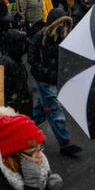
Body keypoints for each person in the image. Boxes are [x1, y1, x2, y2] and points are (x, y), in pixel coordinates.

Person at [28, 9, 82, 157]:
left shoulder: (63, 36)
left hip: (55, 78)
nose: (63, 26)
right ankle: (65, 142)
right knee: (54, 110)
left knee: (42, 108)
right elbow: (32, 59)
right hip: (45, 79)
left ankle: (25, 127)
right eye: (61, 22)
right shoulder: (41, 37)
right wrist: (46, 72)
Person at [0, 29, 32, 116]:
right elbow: (9, 90)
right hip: (13, 110)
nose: (24, 46)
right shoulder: (8, 63)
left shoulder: (14, 60)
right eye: (22, 43)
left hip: (16, 107)